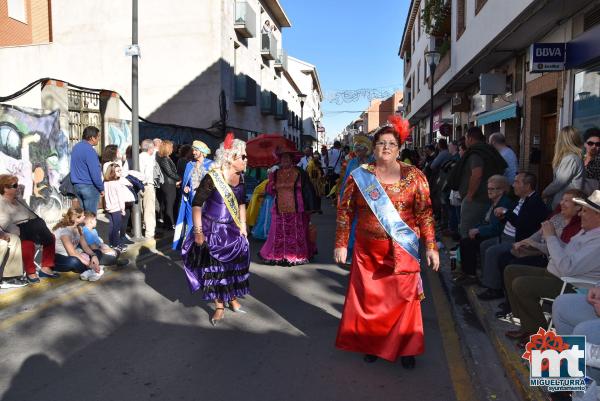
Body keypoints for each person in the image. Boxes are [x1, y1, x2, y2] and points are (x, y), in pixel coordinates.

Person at [333, 116, 440, 367]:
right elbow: (345, 210)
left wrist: (431, 247)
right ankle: (373, 344)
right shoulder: (360, 176)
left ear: (399, 147)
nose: (386, 148)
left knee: (404, 300)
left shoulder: (415, 176)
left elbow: (425, 213)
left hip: (403, 249)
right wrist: (340, 242)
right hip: (367, 252)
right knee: (370, 303)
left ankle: (406, 348)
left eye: (392, 143)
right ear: (374, 146)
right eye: (381, 143)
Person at [502, 190, 600, 344]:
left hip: (572, 284)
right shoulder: (587, 232)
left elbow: (567, 267)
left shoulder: (597, 242)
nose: (581, 214)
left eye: (585, 211)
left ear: (598, 216)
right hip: (556, 274)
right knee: (511, 271)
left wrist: (551, 237)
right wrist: (550, 238)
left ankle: (537, 334)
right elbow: (566, 251)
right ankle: (526, 324)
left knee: (521, 284)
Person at [181, 133, 250, 326]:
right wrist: (198, 232)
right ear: (230, 158)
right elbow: (196, 205)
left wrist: (243, 226)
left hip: (233, 230)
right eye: (242, 156)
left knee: (233, 267)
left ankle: (233, 298)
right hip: (214, 230)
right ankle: (219, 306)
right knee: (215, 270)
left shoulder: (241, 177)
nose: (246, 160)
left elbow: (242, 203)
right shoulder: (212, 178)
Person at [476, 172, 549, 300]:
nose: (513, 185)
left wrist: (506, 212)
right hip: (505, 236)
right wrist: (504, 216)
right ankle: (488, 279)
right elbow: (513, 220)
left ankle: (494, 289)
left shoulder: (534, 203)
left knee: (492, 252)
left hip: (517, 241)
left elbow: (522, 224)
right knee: (484, 245)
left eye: (517, 182)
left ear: (527, 186)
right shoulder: (521, 199)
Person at [259, 150, 319, 265]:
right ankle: (279, 254)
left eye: (287, 158)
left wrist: (310, 207)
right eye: (282, 158)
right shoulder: (275, 173)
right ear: (279, 160)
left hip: (297, 208)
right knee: (279, 232)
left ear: (292, 159)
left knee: (296, 232)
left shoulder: (299, 172)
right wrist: (271, 185)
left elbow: (307, 190)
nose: (285, 160)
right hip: (279, 207)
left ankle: (296, 254)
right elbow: (270, 191)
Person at [447, 127, 507, 238]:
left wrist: (469, 195)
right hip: (488, 198)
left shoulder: (476, 153)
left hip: (476, 199)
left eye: (465, 138)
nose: (465, 141)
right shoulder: (489, 150)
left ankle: (466, 254)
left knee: (467, 231)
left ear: (469, 139)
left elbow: (477, 174)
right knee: (478, 231)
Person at [454, 175, 514, 286]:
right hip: (488, 231)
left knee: (468, 243)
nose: (489, 191)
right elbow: (484, 220)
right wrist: (476, 228)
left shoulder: (504, 203)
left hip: (497, 235)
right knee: (465, 241)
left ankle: (471, 275)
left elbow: (497, 228)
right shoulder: (493, 202)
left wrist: (479, 231)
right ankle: (466, 272)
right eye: (488, 188)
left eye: (492, 189)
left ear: (501, 190)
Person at [0, 174, 57, 283]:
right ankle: (31, 273)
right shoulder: (0, 203)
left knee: (50, 236)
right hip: (17, 230)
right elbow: (5, 224)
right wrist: (21, 231)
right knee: (28, 243)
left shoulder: (18, 200)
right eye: (15, 185)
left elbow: (31, 215)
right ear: (5, 188)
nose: (18, 187)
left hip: (30, 228)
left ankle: (46, 268)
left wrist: (20, 199)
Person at [173, 140, 213, 249]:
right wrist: (185, 187)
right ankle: (189, 249)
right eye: (193, 150)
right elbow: (186, 181)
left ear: (202, 152)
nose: (193, 152)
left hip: (205, 203)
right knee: (190, 226)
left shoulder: (211, 165)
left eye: (196, 150)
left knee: (204, 227)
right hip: (190, 201)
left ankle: (204, 248)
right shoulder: (189, 165)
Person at [52, 207, 104, 281]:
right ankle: (92, 269)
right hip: (59, 258)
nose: (84, 217)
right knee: (74, 261)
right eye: (82, 216)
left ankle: (90, 270)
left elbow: (85, 246)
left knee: (97, 252)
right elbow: (72, 253)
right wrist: (89, 263)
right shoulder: (65, 232)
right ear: (76, 219)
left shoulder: (79, 228)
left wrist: (93, 255)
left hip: (74, 254)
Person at [542, 126, 584, 209]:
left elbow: (559, 182)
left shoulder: (571, 159)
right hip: (564, 203)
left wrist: (545, 192)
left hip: (565, 205)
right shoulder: (571, 157)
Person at [70, 126, 104, 213]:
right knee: (90, 217)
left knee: (83, 215)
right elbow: (95, 173)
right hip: (89, 186)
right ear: (92, 138)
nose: (99, 139)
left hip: (77, 185)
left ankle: (85, 227)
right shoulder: (90, 150)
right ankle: (90, 227)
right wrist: (101, 188)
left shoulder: (76, 147)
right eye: (98, 136)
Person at [103, 163, 134, 251]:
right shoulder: (117, 183)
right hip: (117, 208)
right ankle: (117, 244)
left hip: (109, 208)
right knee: (116, 227)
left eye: (120, 170)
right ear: (112, 172)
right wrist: (123, 209)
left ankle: (112, 243)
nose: (120, 172)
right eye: (118, 171)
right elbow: (120, 198)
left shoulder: (106, 183)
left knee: (111, 227)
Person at [156, 140, 181, 229]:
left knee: (165, 205)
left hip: (167, 183)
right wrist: (179, 178)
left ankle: (166, 223)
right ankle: (170, 224)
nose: (173, 148)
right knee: (169, 205)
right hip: (168, 184)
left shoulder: (163, 157)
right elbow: (170, 173)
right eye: (171, 147)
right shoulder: (164, 159)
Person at [139, 140, 157, 239]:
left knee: (140, 209)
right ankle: (149, 233)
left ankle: (139, 229)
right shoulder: (148, 158)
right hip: (147, 185)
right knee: (149, 210)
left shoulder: (138, 156)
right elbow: (147, 174)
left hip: (139, 185)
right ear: (150, 148)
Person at [583, 127, 600, 193]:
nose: (594, 146)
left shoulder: (598, 161)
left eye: (597, 144)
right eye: (590, 143)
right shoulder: (579, 159)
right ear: (585, 144)